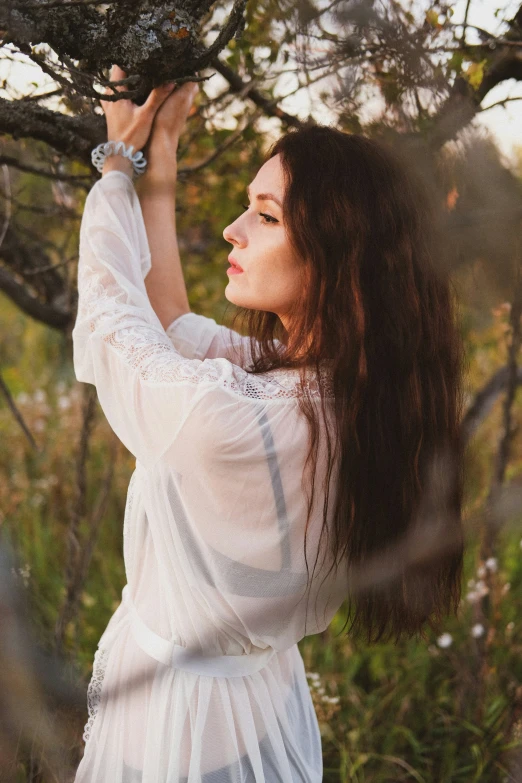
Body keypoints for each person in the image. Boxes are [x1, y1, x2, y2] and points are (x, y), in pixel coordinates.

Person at [72, 64, 465, 783]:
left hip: (177, 728)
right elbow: (173, 324)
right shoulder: (349, 393)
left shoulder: (239, 415)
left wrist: (115, 168)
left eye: (266, 214)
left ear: (341, 260)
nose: (233, 228)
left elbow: (113, 319)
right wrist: (159, 155)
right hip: (252, 708)